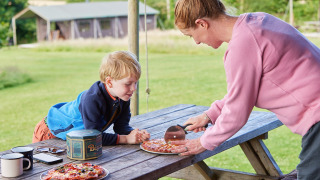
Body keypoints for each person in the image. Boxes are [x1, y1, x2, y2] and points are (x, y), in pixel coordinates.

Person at [170, 0, 320, 179]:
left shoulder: (243, 44)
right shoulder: (258, 21)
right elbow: (244, 90)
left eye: (191, 35)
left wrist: (203, 142)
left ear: (202, 23)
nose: (196, 42)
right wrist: (209, 115)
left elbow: (236, 113)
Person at [32, 51, 150, 146]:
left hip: (77, 136)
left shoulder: (123, 97)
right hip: (51, 131)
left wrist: (135, 134)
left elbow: (121, 127)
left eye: (136, 83)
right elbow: (93, 137)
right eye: (128, 84)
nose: (134, 88)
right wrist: (126, 139)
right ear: (109, 82)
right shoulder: (92, 99)